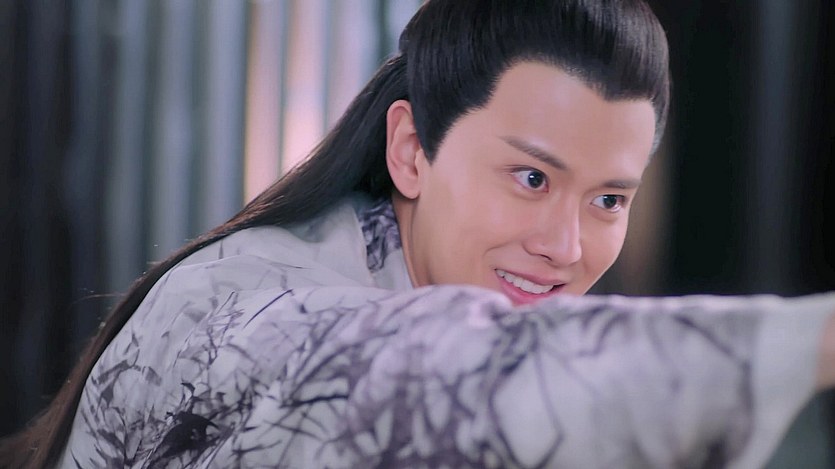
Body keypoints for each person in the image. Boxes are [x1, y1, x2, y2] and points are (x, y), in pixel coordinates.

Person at [3, 0, 835, 467]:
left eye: (609, 199)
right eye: (531, 178)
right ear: (410, 150)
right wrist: (815, 341)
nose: (567, 246)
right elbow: (424, 370)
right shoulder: (244, 308)